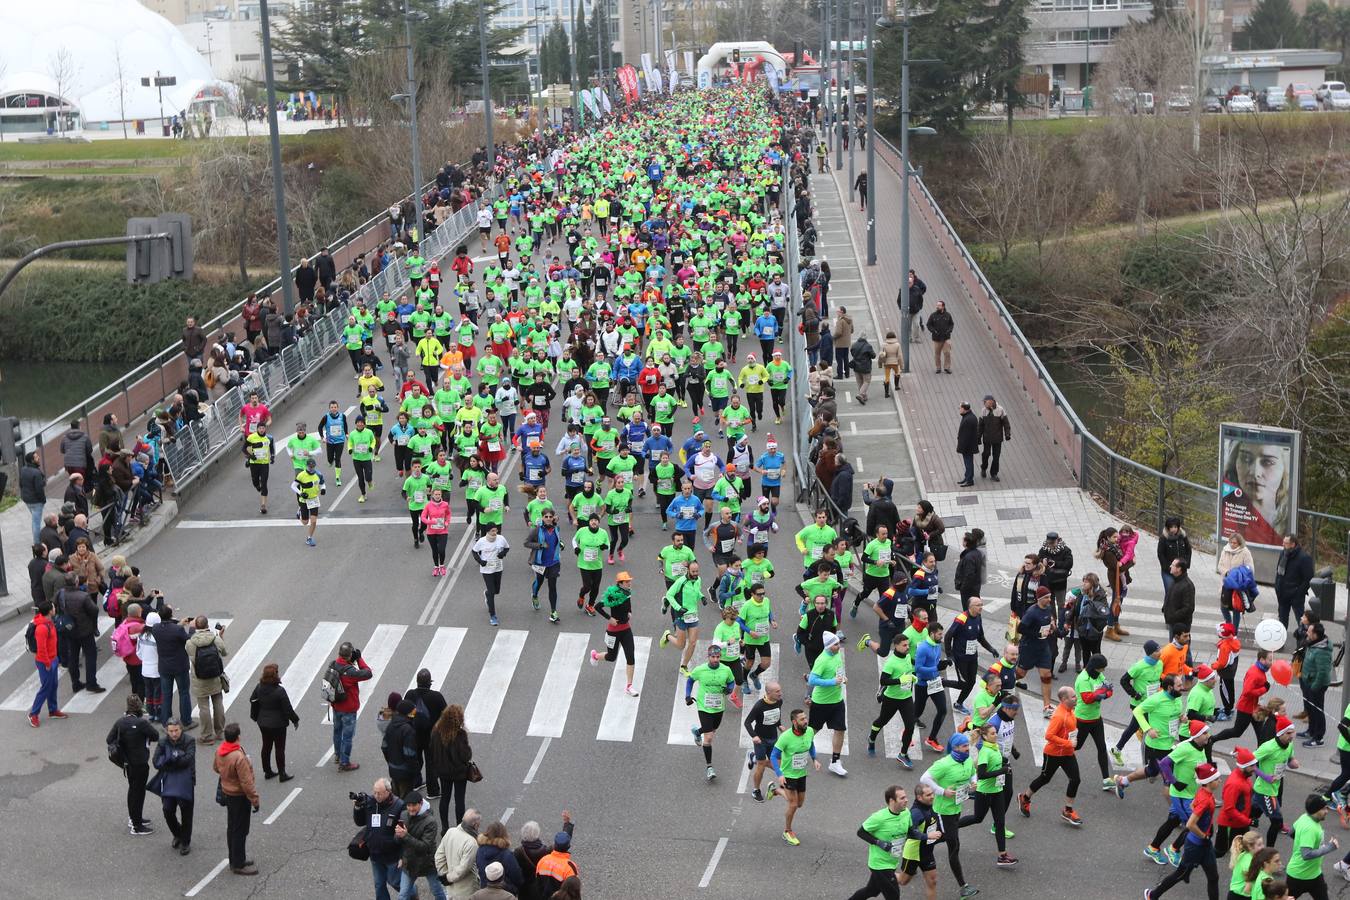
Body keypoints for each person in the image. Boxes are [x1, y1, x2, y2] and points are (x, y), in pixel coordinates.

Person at [1143, 762, 1224, 900]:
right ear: (1208, 782)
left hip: (1204, 844)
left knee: (1213, 877)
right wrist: (1204, 835)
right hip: (1196, 845)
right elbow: (1191, 824)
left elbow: (1192, 805)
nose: (1220, 781)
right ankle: (1153, 895)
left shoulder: (1203, 792)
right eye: (1216, 779)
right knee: (1179, 875)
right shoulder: (1205, 799)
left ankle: (1187, 874)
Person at [1018, 686, 1084, 826]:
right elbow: (1049, 736)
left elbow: (1070, 731)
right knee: (1044, 778)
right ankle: (1025, 797)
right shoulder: (1059, 716)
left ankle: (1068, 810)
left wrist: (1071, 746)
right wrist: (1068, 743)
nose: (1076, 698)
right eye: (1073, 696)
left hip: (1067, 753)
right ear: (1064, 699)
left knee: (1075, 779)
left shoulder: (1071, 711)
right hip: (1053, 754)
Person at [108, 694, 159, 835]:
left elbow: (109, 739)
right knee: (138, 793)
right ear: (139, 708)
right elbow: (155, 736)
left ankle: (134, 818)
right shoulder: (142, 724)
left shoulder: (120, 722)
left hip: (127, 763)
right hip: (140, 763)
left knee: (133, 791)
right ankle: (137, 826)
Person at [214, 722, 260, 875]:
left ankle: (234, 858)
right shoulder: (238, 757)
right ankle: (239, 864)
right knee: (241, 830)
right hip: (239, 796)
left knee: (232, 827)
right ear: (238, 737)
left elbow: (215, 767)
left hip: (228, 793)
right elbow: (246, 783)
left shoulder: (220, 750)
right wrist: (255, 799)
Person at [771, 707, 820, 845]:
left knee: (799, 804)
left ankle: (777, 790)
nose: (806, 721)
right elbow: (774, 756)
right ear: (794, 722)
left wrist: (814, 759)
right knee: (793, 805)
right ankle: (787, 831)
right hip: (788, 775)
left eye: (805, 718)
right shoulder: (785, 737)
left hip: (801, 773)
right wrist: (779, 774)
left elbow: (811, 745)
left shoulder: (809, 731)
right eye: (802, 719)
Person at [153, 717, 197, 855]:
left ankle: (185, 841)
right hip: (168, 781)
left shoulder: (189, 741)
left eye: (176, 730)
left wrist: (169, 758)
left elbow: (187, 760)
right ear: (167, 730)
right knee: (167, 810)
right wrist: (175, 757)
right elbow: (155, 762)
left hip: (185, 781)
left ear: (181, 729)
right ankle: (177, 833)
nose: (173, 734)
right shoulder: (162, 742)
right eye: (171, 731)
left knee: (186, 812)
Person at [248, 663, 298, 781]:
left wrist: (256, 716)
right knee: (279, 748)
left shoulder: (259, 687)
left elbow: (253, 700)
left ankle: (267, 771)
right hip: (278, 724)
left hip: (263, 723)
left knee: (266, 746)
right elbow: (288, 709)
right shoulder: (280, 691)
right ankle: (282, 774)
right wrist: (295, 720)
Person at [357, 777, 407, 898]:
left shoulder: (399, 805)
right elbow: (359, 822)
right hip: (375, 853)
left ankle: (411, 892)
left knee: (395, 882)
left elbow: (404, 834)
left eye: (379, 793)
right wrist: (357, 808)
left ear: (388, 792)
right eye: (374, 792)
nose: (375, 795)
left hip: (392, 855)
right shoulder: (370, 802)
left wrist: (403, 856)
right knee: (379, 884)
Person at [428, 704, 473, 833]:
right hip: (459, 773)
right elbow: (465, 755)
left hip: (443, 772)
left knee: (445, 798)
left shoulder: (436, 731)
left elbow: (431, 750)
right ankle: (460, 828)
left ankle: (445, 827)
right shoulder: (460, 734)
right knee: (459, 800)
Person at [330, 641, 373, 771]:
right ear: (350, 655)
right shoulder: (350, 671)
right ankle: (345, 762)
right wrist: (359, 659)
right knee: (347, 736)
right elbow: (368, 673)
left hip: (336, 705)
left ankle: (337, 755)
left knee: (337, 731)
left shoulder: (334, 664)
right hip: (348, 708)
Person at [397, 790, 447, 900]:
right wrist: (398, 836)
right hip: (409, 862)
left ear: (420, 803)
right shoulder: (404, 815)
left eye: (413, 805)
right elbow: (398, 841)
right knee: (402, 895)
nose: (410, 808)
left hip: (427, 862)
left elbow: (425, 847)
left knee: (437, 891)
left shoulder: (430, 821)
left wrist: (405, 835)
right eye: (408, 805)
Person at [188, 616, 228, 744]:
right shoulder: (215, 639)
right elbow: (224, 653)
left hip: (199, 679)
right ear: (207, 625)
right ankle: (220, 732)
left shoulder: (190, 643)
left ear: (196, 627)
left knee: (204, 707)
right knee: (218, 703)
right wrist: (220, 636)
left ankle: (207, 736)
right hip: (215, 677)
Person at [26, 600, 66, 728]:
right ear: (49, 611)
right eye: (53, 608)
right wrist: (48, 663)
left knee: (53, 685)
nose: (55, 609)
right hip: (45, 661)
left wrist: (56, 659)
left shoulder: (49, 622)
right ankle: (33, 714)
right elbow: (41, 649)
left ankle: (53, 710)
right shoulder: (42, 628)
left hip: (52, 659)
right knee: (46, 687)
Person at [1298, 622, 1332, 747]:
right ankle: (1311, 731)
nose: (1307, 632)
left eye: (1310, 632)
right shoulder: (1313, 643)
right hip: (1309, 682)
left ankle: (1318, 737)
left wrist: (1314, 687)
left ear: (1316, 635)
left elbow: (1322, 673)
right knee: (1311, 709)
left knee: (1317, 710)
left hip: (1316, 685)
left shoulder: (1322, 651)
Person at [435, 808, 482, 895]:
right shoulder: (472, 843)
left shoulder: (450, 832)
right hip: (466, 890)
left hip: (450, 889)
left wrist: (444, 875)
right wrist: (448, 878)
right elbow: (464, 868)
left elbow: (439, 856)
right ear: (476, 825)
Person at [1275, 535, 1314, 632]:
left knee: (1301, 620)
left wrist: (1299, 593)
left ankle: (1304, 640)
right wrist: (1277, 586)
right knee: (1282, 619)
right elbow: (1279, 572)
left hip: (1295, 595)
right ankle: (1280, 641)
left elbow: (1308, 578)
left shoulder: (1304, 558)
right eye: (1283, 542)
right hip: (1282, 593)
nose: (1283, 544)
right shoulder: (1283, 553)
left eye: (1286, 543)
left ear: (1293, 544)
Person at [977, 395, 1011, 482]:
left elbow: (1006, 423)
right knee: (986, 454)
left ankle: (994, 473)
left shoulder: (1000, 410)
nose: (984, 404)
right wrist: (978, 437)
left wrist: (1007, 434)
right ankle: (983, 468)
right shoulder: (983, 411)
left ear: (992, 402)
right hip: (987, 438)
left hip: (997, 438)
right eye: (984, 402)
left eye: (986, 402)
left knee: (996, 456)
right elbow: (980, 425)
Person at [1158, 517, 1193, 591]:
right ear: (1167, 528)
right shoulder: (1163, 538)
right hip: (1168, 571)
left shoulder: (1183, 537)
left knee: (1182, 592)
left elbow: (1188, 550)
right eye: (1171, 527)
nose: (1173, 529)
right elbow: (1160, 554)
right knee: (1170, 592)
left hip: (1181, 571)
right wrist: (1167, 567)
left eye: (1175, 527)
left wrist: (1186, 564)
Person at [1162, 559, 1196, 634]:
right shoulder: (1175, 580)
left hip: (1181, 625)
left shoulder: (1187, 585)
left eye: (1173, 565)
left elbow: (1188, 608)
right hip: (1173, 622)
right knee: (1173, 644)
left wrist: (1173, 616)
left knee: (1180, 645)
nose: (1170, 566)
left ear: (1179, 569)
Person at [955, 402, 978, 487]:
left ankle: (969, 480)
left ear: (964, 409)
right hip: (969, 446)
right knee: (968, 463)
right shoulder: (969, 416)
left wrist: (961, 447)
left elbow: (966, 436)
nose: (959, 409)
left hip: (968, 447)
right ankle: (967, 477)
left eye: (960, 408)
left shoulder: (968, 419)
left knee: (968, 463)